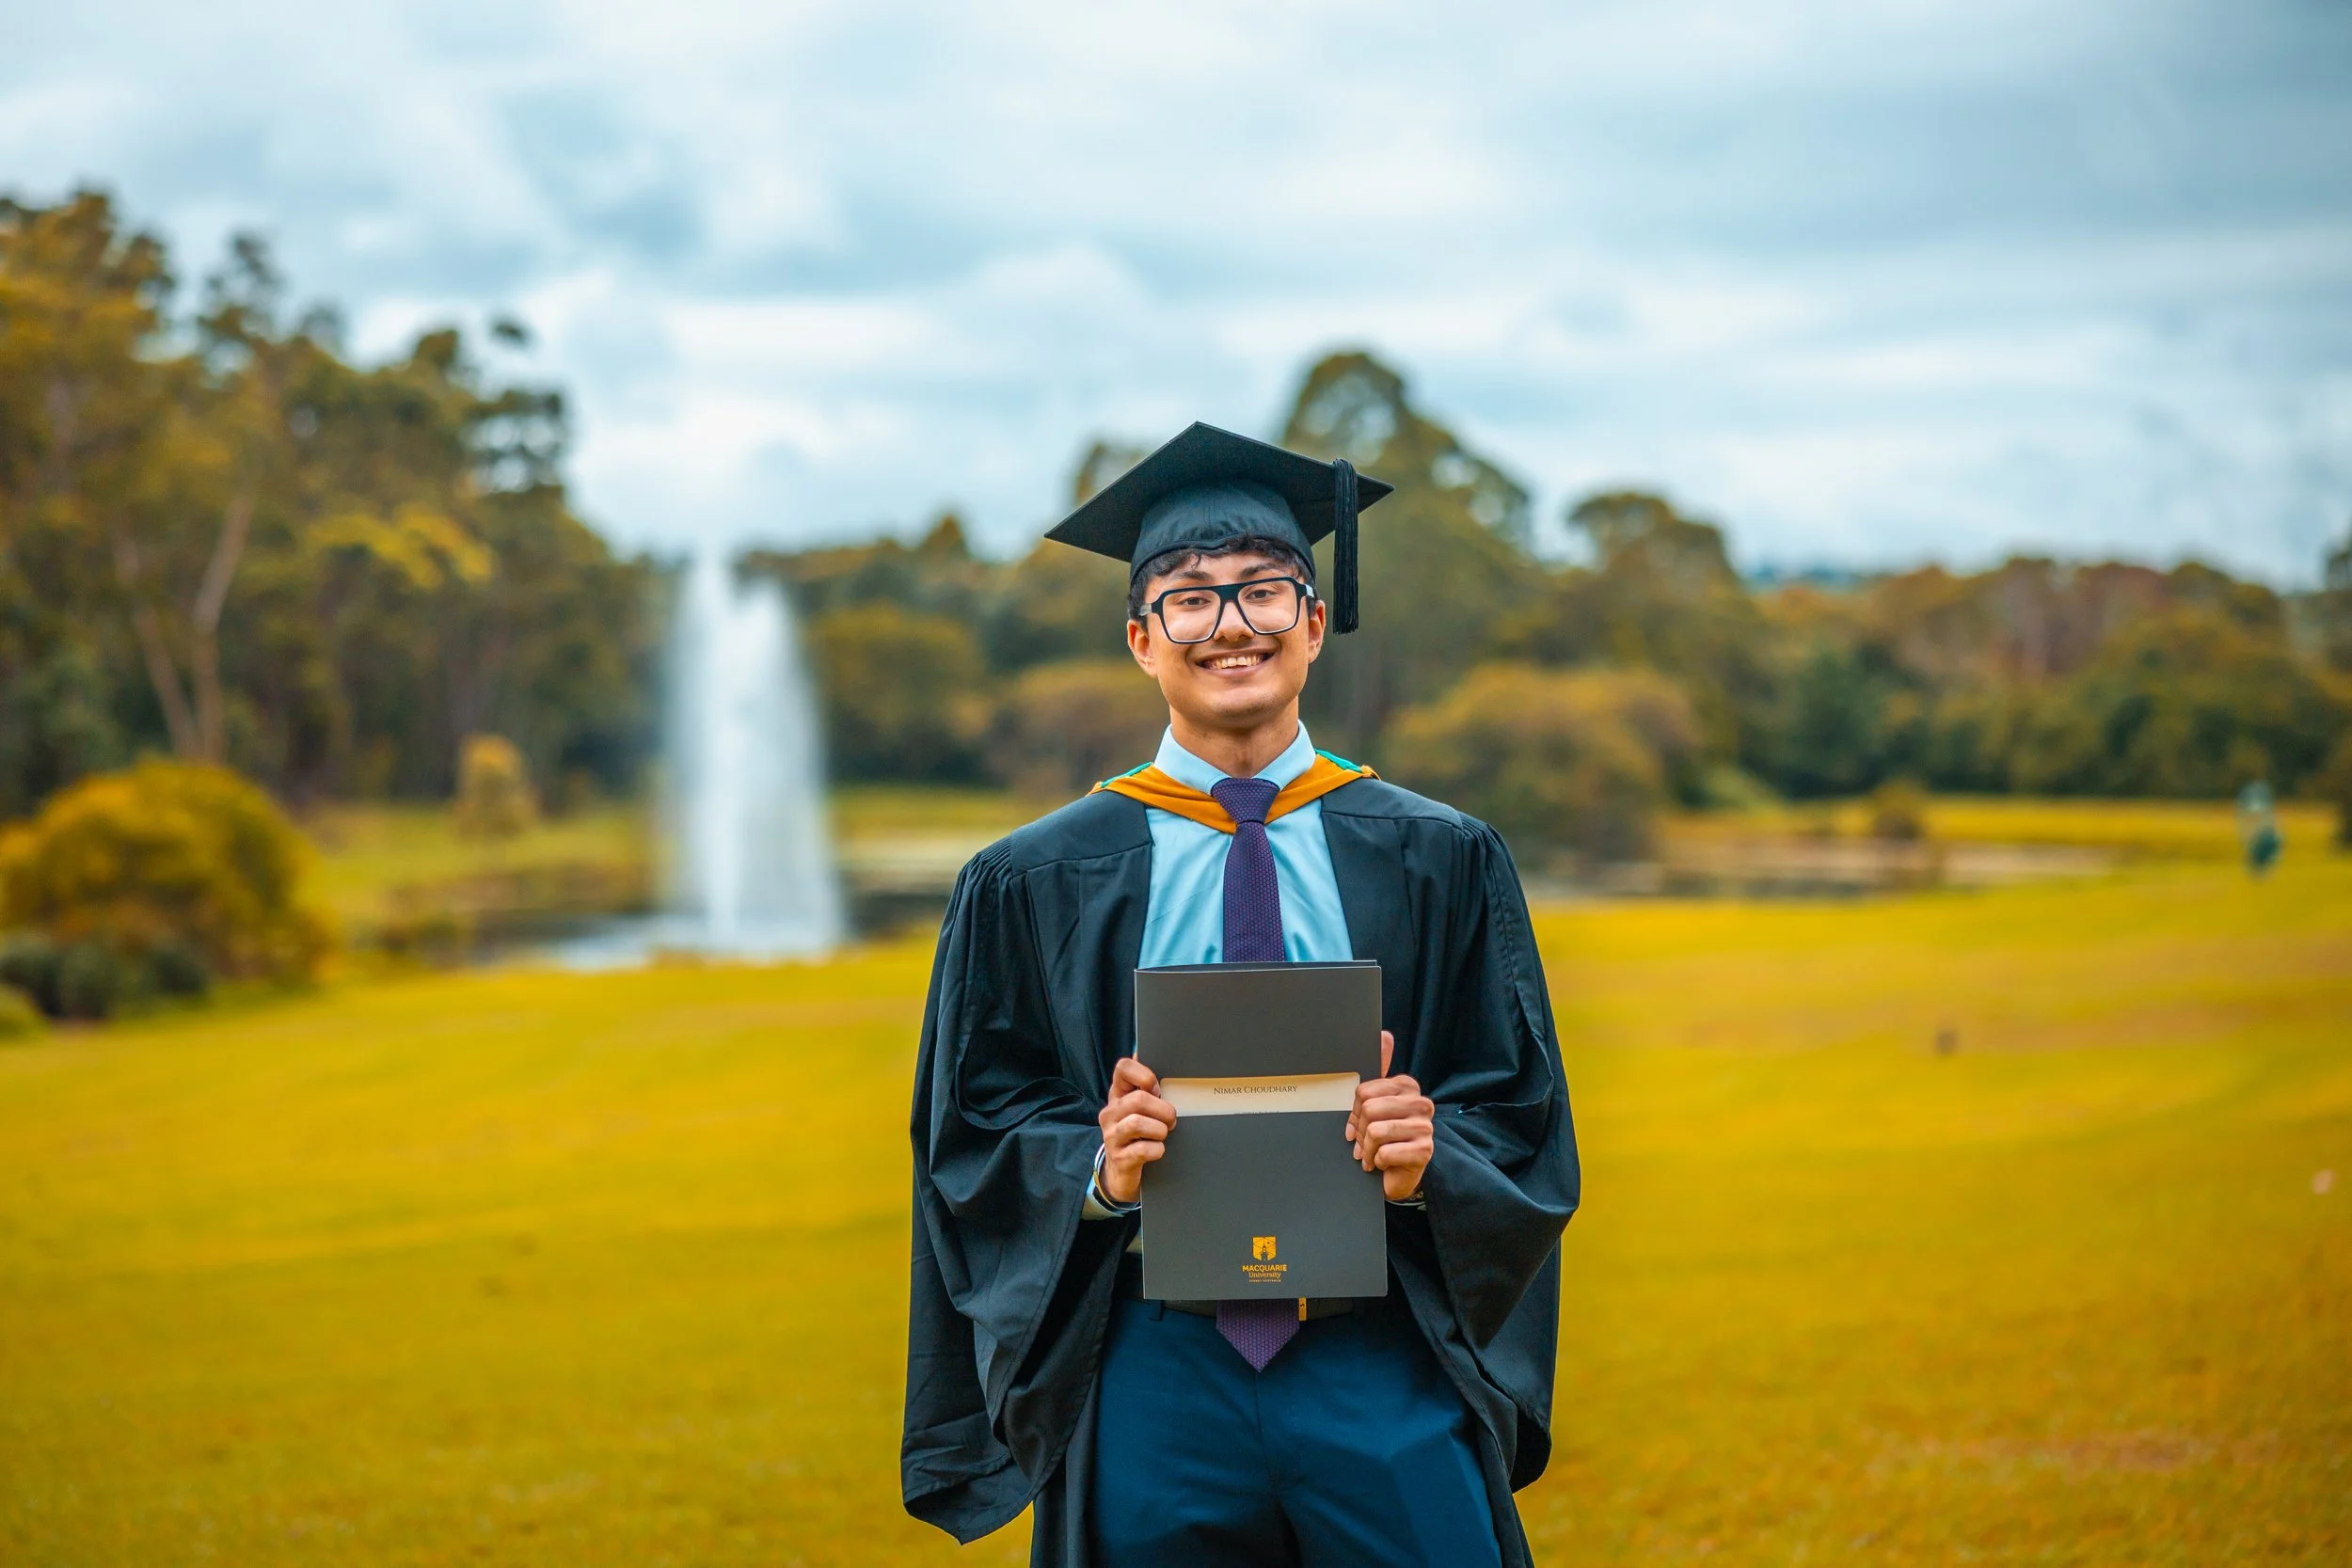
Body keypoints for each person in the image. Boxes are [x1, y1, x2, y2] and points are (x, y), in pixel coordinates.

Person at [901, 422, 1580, 1567]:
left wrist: (1432, 1156)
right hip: (1148, 1367)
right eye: (1189, 599)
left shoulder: (1439, 855)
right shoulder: (1031, 879)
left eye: (1264, 592)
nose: (1230, 625)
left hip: (1380, 1358)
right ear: (1139, 638)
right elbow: (971, 1129)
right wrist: (1097, 1168)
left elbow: (1518, 1107)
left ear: (1314, 624)